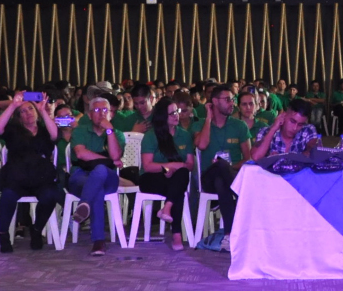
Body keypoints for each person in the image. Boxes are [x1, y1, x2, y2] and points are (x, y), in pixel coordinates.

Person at [0, 92, 62, 252]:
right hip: (17, 176)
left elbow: (55, 135)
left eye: (30, 109)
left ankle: (36, 230)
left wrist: (43, 111)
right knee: (8, 196)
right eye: (22, 111)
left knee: (50, 196)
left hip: (41, 177)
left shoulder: (45, 130)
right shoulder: (13, 130)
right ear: (19, 117)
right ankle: (3, 234)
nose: (27, 113)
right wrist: (13, 105)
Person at [194, 85, 250, 251]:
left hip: (230, 175)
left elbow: (248, 158)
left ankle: (228, 234)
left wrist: (228, 167)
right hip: (207, 177)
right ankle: (241, 199)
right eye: (227, 100)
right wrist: (208, 118)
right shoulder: (200, 125)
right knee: (218, 171)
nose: (232, 103)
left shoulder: (239, 126)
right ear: (215, 102)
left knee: (222, 180)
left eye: (232, 99)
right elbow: (202, 145)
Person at [68, 97, 125, 256]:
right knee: (97, 188)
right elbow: (81, 154)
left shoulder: (117, 134)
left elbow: (116, 154)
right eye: (97, 110)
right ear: (89, 114)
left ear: (111, 115)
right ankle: (99, 241)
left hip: (109, 178)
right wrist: (109, 160)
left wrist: (109, 131)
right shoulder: (80, 130)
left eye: (105, 110)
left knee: (100, 170)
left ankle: (84, 204)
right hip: (80, 176)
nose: (101, 114)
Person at [137, 98, 195, 251]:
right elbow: (148, 166)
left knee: (182, 175)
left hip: (175, 178)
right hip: (151, 178)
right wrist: (169, 167)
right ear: (163, 117)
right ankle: (176, 234)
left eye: (177, 112)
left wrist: (175, 169)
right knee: (178, 190)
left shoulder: (184, 135)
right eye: (172, 113)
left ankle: (167, 208)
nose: (176, 115)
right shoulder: (151, 136)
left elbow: (190, 165)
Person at [250, 99, 321, 160]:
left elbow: (314, 149)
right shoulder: (265, 131)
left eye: (300, 124)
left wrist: (307, 152)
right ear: (284, 115)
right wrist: (273, 129)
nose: (295, 128)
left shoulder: (308, 130)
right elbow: (256, 156)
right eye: (292, 121)